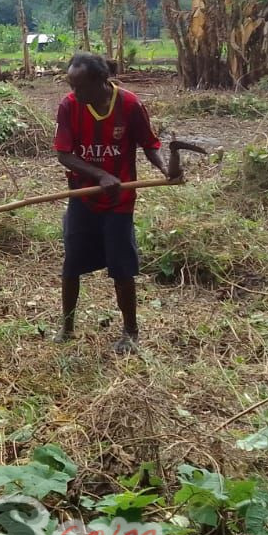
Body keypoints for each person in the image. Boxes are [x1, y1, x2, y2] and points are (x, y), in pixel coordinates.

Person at [51, 52, 173, 354]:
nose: (74, 93)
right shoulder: (69, 106)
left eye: (80, 87)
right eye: (71, 86)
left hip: (119, 202)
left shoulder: (130, 105)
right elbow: (64, 154)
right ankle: (67, 327)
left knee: (122, 267)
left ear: (100, 81)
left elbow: (149, 145)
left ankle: (130, 331)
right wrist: (100, 174)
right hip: (83, 196)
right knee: (72, 264)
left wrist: (165, 169)